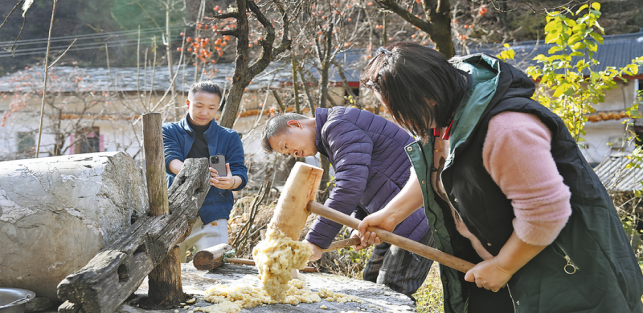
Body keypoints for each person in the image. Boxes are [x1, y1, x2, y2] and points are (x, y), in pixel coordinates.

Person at [356, 42, 643, 313]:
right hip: (500, 267)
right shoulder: (443, 114)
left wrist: (504, 266)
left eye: (396, 108)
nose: (393, 116)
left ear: (426, 97)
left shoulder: (507, 130)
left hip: (568, 272)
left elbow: (546, 214)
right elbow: (434, 172)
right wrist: (391, 214)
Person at [261, 107, 434, 297]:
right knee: (371, 281)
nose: (293, 153)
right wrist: (358, 223)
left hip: (421, 213)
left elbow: (350, 186)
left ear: (295, 124)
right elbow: (365, 183)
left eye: (286, 145)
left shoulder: (339, 125)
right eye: (286, 153)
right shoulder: (334, 131)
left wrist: (315, 241)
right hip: (395, 218)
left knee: (391, 289)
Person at [163, 81, 248, 262]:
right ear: (188, 104)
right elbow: (170, 161)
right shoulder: (169, 131)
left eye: (211, 107)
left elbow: (240, 172)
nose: (204, 112)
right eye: (199, 106)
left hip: (213, 213)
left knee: (214, 270)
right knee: (167, 271)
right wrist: (199, 173)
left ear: (217, 108)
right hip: (172, 213)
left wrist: (231, 182)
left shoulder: (229, 137)